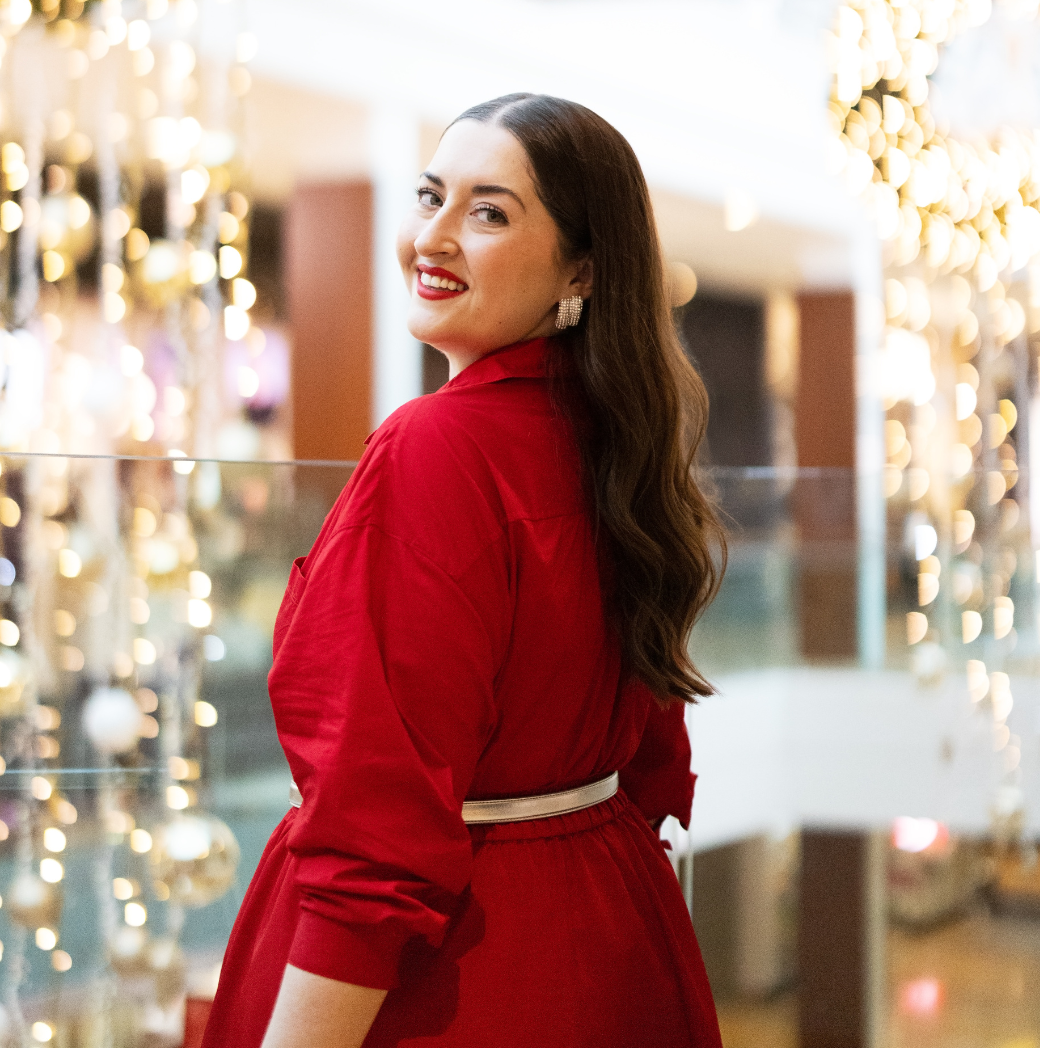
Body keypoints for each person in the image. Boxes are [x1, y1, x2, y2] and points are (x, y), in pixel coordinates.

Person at [204, 94, 726, 1048]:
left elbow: (374, 814)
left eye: (488, 213)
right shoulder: (616, 442)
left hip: (463, 968)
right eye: (430, 197)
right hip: (609, 919)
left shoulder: (436, 448)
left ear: (583, 269)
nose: (430, 240)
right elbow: (651, 757)